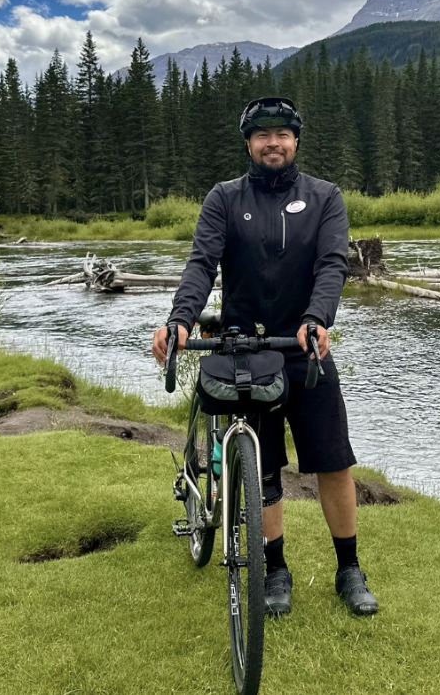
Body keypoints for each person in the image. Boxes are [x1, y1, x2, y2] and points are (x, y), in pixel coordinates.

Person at [152, 96, 378, 617]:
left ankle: (350, 569)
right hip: (244, 349)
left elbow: (330, 266)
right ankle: (275, 569)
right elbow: (201, 263)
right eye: (262, 135)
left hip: (304, 346)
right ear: (249, 143)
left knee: (333, 461)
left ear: (296, 141)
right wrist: (180, 319)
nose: (272, 142)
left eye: (282, 134)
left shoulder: (325, 197)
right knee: (266, 467)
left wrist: (317, 318)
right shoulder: (224, 198)